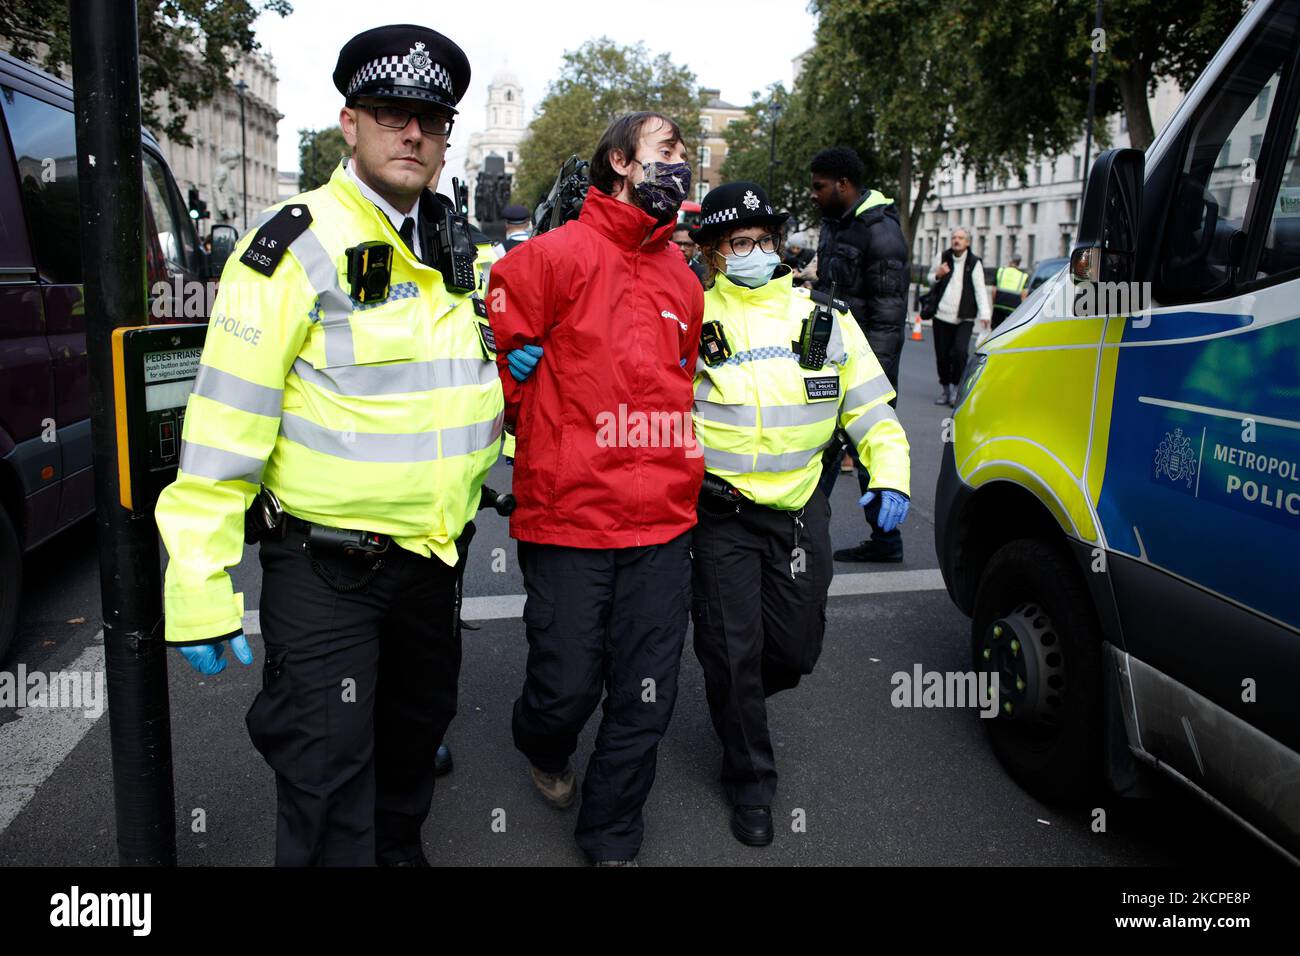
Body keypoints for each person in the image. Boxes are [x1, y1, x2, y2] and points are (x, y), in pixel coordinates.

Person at [154, 24, 502, 867]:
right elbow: (225, 420)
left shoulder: (461, 249)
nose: (412, 132)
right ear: (350, 123)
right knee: (324, 774)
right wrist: (198, 577)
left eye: (431, 117)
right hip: (327, 571)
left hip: (434, 560)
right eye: (391, 113)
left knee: (414, 741)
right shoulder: (292, 246)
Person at [487, 111, 704, 866]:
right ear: (620, 161)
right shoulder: (544, 261)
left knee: (648, 694)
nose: (683, 163)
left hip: (665, 525)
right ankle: (542, 742)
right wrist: (518, 390)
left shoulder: (683, 277)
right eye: (667, 150)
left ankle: (612, 832)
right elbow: (496, 387)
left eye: (686, 153)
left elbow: (680, 386)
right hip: (569, 520)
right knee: (564, 689)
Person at [690, 182, 910, 846]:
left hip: (797, 514)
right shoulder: (689, 320)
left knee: (792, 652)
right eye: (739, 242)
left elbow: (873, 414)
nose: (755, 251)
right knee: (732, 654)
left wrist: (889, 474)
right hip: (720, 516)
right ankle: (750, 781)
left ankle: (744, 696)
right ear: (713, 253)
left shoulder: (826, 319)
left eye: (764, 239)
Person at [808, 146, 911, 563]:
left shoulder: (880, 230)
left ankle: (805, 543)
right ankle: (885, 542)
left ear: (844, 185)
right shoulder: (836, 225)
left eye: (819, 186)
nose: (813, 194)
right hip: (833, 357)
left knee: (836, 453)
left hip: (864, 368)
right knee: (830, 450)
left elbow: (889, 317)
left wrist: (874, 388)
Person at [930, 226, 990, 406]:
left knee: (959, 352)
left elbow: (980, 289)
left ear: (967, 242)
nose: (957, 240)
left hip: (964, 317)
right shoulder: (942, 257)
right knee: (942, 355)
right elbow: (930, 278)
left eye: (961, 238)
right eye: (954, 237)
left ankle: (957, 388)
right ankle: (945, 389)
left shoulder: (974, 262)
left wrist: (985, 313)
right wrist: (938, 275)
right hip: (941, 316)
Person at [992, 253, 1028, 329]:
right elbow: (1024, 295)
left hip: (999, 304)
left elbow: (994, 290)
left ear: (1010, 261)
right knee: (1011, 329)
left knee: (995, 329)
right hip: (1014, 307)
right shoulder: (1023, 276)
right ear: (1019, 263)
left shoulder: (1001, 271)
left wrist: (994, 303)